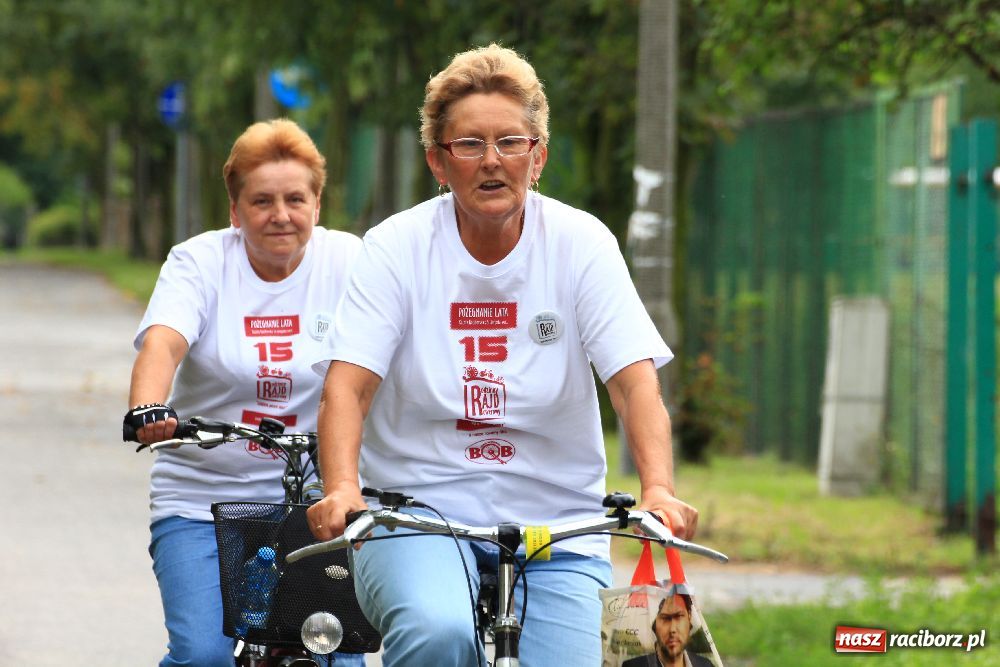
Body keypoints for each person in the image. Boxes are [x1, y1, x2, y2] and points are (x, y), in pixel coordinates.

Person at [307, 43, 699, 666]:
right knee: (438, 634)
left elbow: (633, 381)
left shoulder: (581, 244)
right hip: (417, 515)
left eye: (511, 142)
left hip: (559, 525)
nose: (492, 161)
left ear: (538, 156)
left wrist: (657, 487)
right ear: (438, 162)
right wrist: (344, 488)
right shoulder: (395, 248)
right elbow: (347, 388)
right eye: (469, 145)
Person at [123, 118, 364, 667]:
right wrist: (147, 406)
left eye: (295, 199)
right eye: (262, 202)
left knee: (337, 655)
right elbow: (162, 344)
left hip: (317, 503)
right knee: (202, 655)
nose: (281, 215)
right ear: (235, 212)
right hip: (201, 502)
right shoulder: (200, 263)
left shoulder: (351, 262)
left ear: (318, 204)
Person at [621, 594, 713, 667]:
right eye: (665, 618)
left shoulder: (705, 665)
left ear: (689, 617)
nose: (672, 629)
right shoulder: (632, 666)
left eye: (679, 616)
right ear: (654, 625)